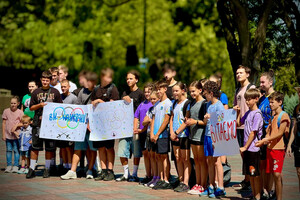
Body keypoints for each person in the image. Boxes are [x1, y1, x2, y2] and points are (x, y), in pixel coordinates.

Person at [61, 71, 98, 180]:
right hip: (82, 125)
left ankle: (90, 170)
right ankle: (72, 171)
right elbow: (78, 108)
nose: (86, 83)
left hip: (93, 127)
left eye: (88, 81)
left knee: (92, 149)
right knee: (78, 148)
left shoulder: (98, 92)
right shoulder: (82, 91)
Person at [26, 71, 63, 179]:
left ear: (50, 80)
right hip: (37, 123)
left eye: (47, 80)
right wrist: (40, 105)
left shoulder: (55, 92)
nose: (45, 82)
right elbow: (31, 107)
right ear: (41, 80)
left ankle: (47, 169)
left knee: (49, 148)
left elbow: (60, 108)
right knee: (35, 147)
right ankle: (32, 169)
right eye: (43, 80)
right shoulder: (36, 92)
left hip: (51, 124)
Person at [256, 92, 291, 200]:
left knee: (277, 174)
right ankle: (273, 194)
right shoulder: (273, 116)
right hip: (270, 148)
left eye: (272, 102)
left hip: (278, 149)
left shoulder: (283, 115)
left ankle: (279, 197)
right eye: (270, 102)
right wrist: (265, 138)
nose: (270, 104)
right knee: (271, 173)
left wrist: (266, 139)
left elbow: (280, 133)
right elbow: (270, 132)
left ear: (280, 102)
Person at [91, 68, 119, 181]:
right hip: (98, 124)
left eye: (111, 77)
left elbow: (115, 105)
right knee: (100, 148)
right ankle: (103, 170)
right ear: (102, 77)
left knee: (109, 147)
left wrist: (101, 102)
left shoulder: (113, 88)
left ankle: (110, 171)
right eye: (107, 77)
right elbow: (92, 103)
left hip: (109, 124)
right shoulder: (96, 89)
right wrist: (96, 102)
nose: (109, 79)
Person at [236, 88, 264, 200]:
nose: (247, 102)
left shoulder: (257, 114)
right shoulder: (248, 113)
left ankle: (257, 196)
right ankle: (253, 194)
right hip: (247, 149)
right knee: (250, 174)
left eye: (249, 99)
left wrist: (245, 146)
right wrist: (238, 112)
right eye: (246, 99)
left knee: (255, 175)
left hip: (253, 149)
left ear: (256, 99)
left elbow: (253, 133)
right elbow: (238, 123)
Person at [116, 70, 144, 182]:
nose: (128, 80)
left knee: (136, 150)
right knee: (122, 149)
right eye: (127, 78)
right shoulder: (124, 93)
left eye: (131, 78)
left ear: (136, 80)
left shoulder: (141, 94)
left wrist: (140, 127)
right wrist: (123, 98)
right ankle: (125, 173)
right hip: (124, 125)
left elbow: (143, 110)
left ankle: (135, 174)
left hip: (136, 124)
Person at [200, 81, 226, 198]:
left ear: (211, 93)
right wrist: (206, 118)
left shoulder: (219, 105)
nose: (205, 96)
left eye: (205, 93)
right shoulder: (208, 105)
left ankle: (220, 187)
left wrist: (212, 116)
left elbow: (222, 119)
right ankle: (211, 185)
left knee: (217, 162)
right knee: (209, 161)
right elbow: (206, 122)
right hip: (207, 135)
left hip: (216, 136)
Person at [232, 65, 255, 190]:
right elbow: (236, 107)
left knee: (250, 154)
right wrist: (235, 111)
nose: (238, 75)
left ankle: (253, 180)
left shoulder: (251, 88)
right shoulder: (237, 90)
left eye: (241, 72)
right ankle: (247, 179)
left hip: (249, 127)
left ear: (247, 74)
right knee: (243, 154)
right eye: (237, 73)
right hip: (239, 127)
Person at [185, 80, 207, 195]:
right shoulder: (192, 103)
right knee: (197, 161)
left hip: (201, 136)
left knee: (202, 161)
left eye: (194, 91)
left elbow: (205, 122)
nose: (192, 94)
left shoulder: (204, 104)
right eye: (190, 92)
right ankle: (198, 183)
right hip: (193, 135)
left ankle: (203, 184)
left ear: (200, 90)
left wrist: (195, 122)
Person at [150, 80, 173, 190]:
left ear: (165, 89)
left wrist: (158, 133)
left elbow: (166, 119)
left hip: (163, 135)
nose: (158, 91)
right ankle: (160, 177)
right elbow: (153, 119)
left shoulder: (168, 103)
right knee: (158, 156)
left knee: (164, 156)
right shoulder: (157, 103)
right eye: (157, 89)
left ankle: (166, 179)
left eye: (160, 89)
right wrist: (152, 133)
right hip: (155, 135)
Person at [170, 82, 191, 193]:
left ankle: (186, 182)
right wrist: (172, 132)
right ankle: (180, 179)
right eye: (173, 91)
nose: (174, 93)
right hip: (175, 135)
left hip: (184, 135)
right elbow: (172, 118)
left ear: (183, 90)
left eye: (177, 91)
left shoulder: (187, 103)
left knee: (185, 159)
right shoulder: (174, 104)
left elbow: (186, 121)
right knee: (178, 158)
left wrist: (177, 132)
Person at [258, 70, 276, 198]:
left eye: (263, 82)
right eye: (260, 82)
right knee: (263, 165)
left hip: (270, 136)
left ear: (270, 82)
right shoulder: (263, 99)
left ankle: (270, 190)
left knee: (271, 166)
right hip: (261, 135)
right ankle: (264, 190)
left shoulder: (275, 98)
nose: (261, 84)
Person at [133, 83, 155, 183]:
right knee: (145, 155)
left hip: (149, 132)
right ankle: (148, 174)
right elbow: (136, 116)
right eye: (145, 92)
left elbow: (150, 120)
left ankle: (154, 175)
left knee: (151, 155)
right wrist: (135, 128)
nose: (147, 94)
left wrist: (143, 129)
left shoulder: (154, 104)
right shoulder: (142, 104)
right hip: (141, 133)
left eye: (149, 92)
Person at [57, 79, 78, 174]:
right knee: (63, 147)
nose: (63, 88)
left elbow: (76, 111)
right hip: (61, 126)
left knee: (69, 148)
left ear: (69, 87)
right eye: (62, 87)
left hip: (70, 127)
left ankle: (70, 166)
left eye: (65, 86)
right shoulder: (59, 97)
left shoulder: (73, 98)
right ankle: (65, 165)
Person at [143, 90, 160, 187]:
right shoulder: (150, 109)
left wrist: (150, 120)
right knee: (151, 156)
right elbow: (144, 122)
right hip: (149, 134)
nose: (152, 101)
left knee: (157, 156)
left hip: (156, 134)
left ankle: (158, 177)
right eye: (151, 99)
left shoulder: (158, 109)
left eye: (154, 99)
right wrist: (149, 120)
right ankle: (154, 177)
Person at [2, 96, 23, 173]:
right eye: (11, 103)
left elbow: (23, 123)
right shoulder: (6, 111)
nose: (13, 105)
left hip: (16, 135)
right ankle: (9, 165)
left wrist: (16, 126)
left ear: (18, 103)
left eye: (14, 103)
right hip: (8, 135)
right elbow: (4, 123)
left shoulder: (20, 112)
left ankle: (16, 165)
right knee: (8, 150)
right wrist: (3, 134)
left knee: (16, 150)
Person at [287, 85, 300, 192]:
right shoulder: (297, 108)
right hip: (298, 144)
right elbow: (294, 128)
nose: (299, 94)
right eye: (298, 92)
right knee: (299, 172)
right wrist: (289, 145)